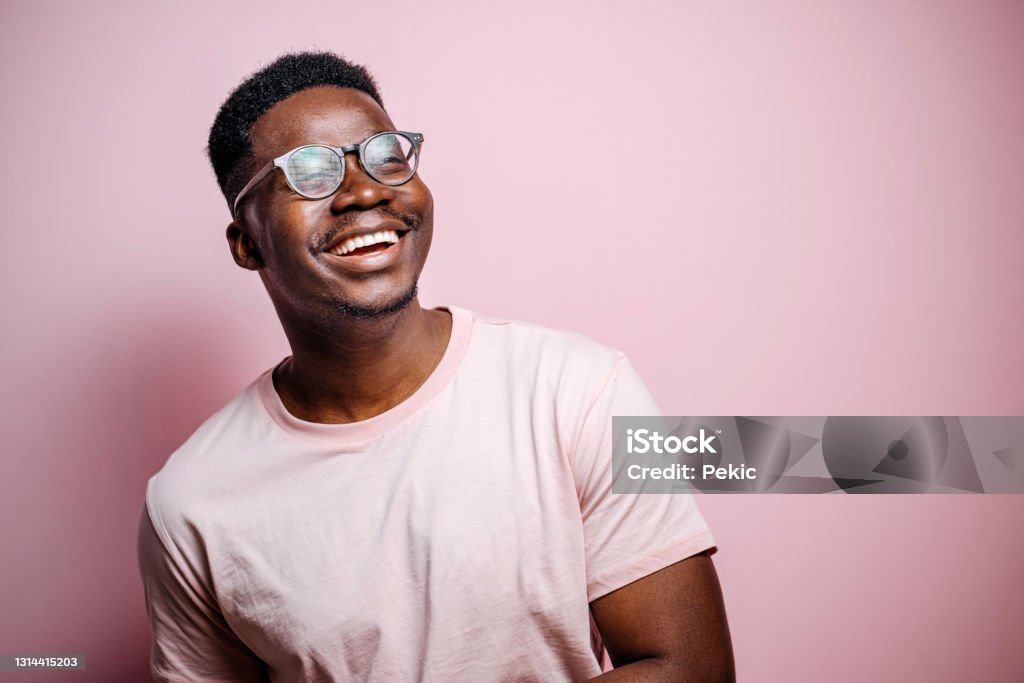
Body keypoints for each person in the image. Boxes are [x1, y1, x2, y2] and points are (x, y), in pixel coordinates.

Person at [137, 51, 735, 682]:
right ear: (246, 242)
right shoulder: (191, 504)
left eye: (386, 156)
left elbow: (688, 667)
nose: (365, 191)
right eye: (310, 172)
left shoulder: (579, 389)